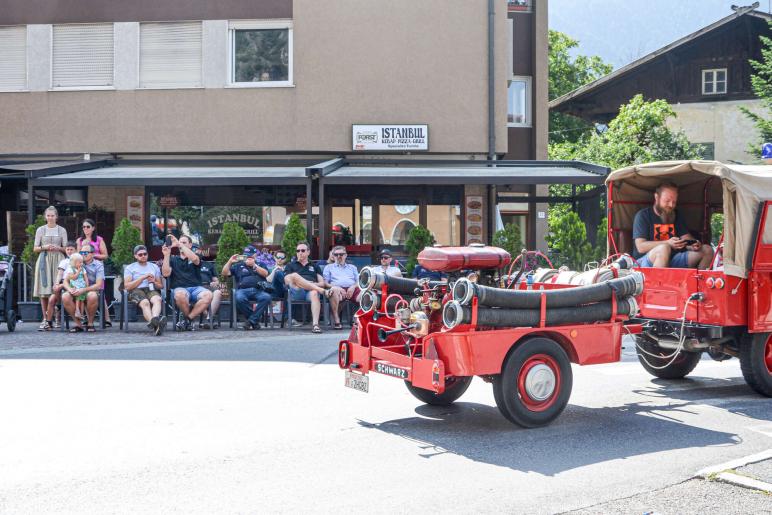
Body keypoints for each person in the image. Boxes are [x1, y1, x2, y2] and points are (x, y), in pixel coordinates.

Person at [633, 182, 714, 269]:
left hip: (673, 259)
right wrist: (667, 243)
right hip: (645, 262)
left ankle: (697, 281)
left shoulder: (676, 215)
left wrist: (693, 244)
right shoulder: (643, 216)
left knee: (707, 250)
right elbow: (640, 247)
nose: (671, 205)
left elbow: (686, 237)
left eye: (674, 202)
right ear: (656, 197)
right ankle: (658, 282)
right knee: (664, 248)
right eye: (667, 201)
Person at [162, 234, 212, 331]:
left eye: (184, 242)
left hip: (196, 288)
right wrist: (166, 255)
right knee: (180, 294)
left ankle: (187, 319)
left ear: (190, 245)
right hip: (179, 288)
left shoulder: (196, 255)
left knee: (208, 294)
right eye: (180, 242)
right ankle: (188, 319)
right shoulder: (173, 259)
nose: (180, 244)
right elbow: (166, 273)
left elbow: (195, 260)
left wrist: (179, 244)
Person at [33, 206, 68, 331]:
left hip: (59, 259)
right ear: (45, 217)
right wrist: (45, 246)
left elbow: (66, 248)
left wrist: (58, 248)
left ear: (56, 217)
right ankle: (46, 317)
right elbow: (35, 248)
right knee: (44, 289)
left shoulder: (62, 230)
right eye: (48, 215)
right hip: (44, 259)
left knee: (57, 288)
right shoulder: (40, 230)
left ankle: (57, 316)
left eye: (52, 215)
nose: (50, 218)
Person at [223, 245, 272, 330]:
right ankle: (254, 320)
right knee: (239, 298)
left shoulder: (260, 264)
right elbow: (225, 273)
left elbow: (265, 274)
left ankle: (250, 321)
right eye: (246, 255)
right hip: (243, 290)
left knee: (267, 297)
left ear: (255, 255)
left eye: (250, 255)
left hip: (258, 290)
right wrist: (230, 262)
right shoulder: (238, 265)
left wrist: (254, 265)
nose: (248, 257)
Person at [284, 241, 328, 334]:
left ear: (308, 252)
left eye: (303, 250)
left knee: (315, 293)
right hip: (297, 291)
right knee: (295, 276)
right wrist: (302, 282)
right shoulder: (290, 265)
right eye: (298, 250)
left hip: (310, 292)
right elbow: (287, 280)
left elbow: (322, 283)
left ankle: (315, 325)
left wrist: (310, 284)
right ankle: (322, 291)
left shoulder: (314, 266)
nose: (300, 252)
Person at [61, 243, 104, 332]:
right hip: (75, 288)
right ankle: (78, 324)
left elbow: (99, 284)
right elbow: (65, 281)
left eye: (86, 253)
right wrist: (69, 289)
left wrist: (84, 290)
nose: (83, 255)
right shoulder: (75, 262)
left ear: (92, 254)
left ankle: (90, 323)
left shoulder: (98, 265)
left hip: (90, 289)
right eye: (82, 252)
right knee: (65, 296)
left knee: (92, 295)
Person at [77, 218, 112, 327]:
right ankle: (87, 318)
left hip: (97, 268)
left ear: (93, 228)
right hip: (84, 269)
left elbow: (105, 255)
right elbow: (77, 256)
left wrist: (93, 255)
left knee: (100, 293)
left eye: (88, 227)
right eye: (84, 227)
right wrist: (84, 249)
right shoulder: (80, 240)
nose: (85, 229)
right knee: (86, 294)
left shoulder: (99, 239)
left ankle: (107, 318)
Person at [124, 245, 165, 336]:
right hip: (136, 290)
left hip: (150, 288)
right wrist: (142, 278)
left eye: (145, 254)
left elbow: (160, 286)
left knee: (157, 299)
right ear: (135, 256)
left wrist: (154, 281)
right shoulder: (130, 268)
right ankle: (156, 325)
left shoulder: (154, 267)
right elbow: (127, 286)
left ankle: (155, 320)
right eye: (140, 254)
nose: (143, 256)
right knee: (145, 302)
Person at [40, 241, 76, 331]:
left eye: (71, 249)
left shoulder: (78, 259)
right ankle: (49, 322)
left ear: (76, 250)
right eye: (67, 249)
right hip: (64, 284)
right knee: (52, 297)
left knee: (54, 295)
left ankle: (58, 306)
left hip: (75, 284)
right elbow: (60, 274)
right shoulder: (64, 261)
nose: (69, 251)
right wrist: (56, 283)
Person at [323, 246, 359, 330]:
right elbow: (325, 283)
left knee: (366, 294)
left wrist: (353, 287)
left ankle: (357, 318)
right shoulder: (328, 267)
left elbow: (359, 281)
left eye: (341, 254)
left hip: (352, 289)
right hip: (337, 291)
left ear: (345, 255)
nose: (339, 256)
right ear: (333, 256)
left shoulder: (352, 267)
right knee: (333, 291)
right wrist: (337, 287)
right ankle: (336, 319)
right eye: (336, 254)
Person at [198, 258, 222, 329]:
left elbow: (217, 281)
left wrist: (215, 283)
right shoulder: (188, 265)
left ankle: (209, 318)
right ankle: (208, 319)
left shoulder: (209, 264)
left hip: (208, 286)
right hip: (196, 287)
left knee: (218, 292)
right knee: (200, 296)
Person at [66, 253, 89, 318]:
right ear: (74, 263)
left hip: (82, 285)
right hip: (74, 285)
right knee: (78, 296)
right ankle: (77, 310)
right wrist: (78, 272)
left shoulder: (83, 269)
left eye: (82, 262)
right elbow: (73, 278)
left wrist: (87, 285)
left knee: (82, 300)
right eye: (80, 262)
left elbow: (85, 277)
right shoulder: (70, 269)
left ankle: (81, 314)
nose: (81, 264)